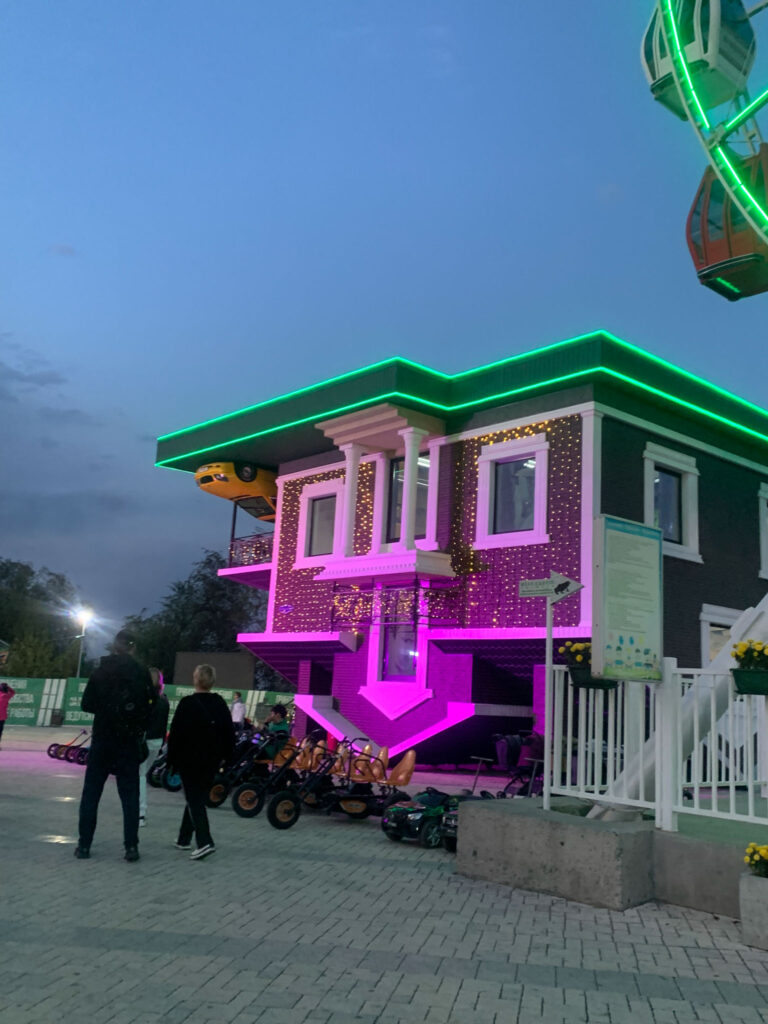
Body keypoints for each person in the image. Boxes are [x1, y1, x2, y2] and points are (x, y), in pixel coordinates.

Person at [74, 630, 155, 862]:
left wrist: (105, 709)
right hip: (128, 741)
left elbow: (86, 703)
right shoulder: (140, 672)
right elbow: (150, 706)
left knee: (91, 794)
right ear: (133, 647)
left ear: (114, 646)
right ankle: (131, 847)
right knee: (129, 797)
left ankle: (84, 845)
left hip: (102, 739)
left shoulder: (101, 670)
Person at [167, 663, 235, 860]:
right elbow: (229, 733)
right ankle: (183, 839)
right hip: (212, 759)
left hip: (189, 758)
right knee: (196, 796)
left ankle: (205, 841)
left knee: (194, 799)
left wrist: (171, 761)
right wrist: (228, 757)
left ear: (195, 679)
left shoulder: (187, 703)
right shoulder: (220, 703)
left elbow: (176, 735)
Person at [139, 667, 170, 827]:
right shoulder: (164, 699)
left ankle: (140, 813)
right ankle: (140, 812)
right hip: (157, 742)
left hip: (144, 741)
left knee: (139, 776)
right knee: (142, 774)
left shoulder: (145, 698)